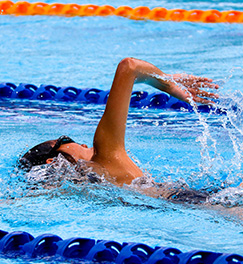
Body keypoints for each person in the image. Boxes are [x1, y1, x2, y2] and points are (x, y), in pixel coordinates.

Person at [19, 58, 219, 203]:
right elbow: (129, 67)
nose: (82, 143)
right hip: (201, 201)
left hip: (192, 204)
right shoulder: (104, 154)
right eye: (65, 139)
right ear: (53, 161)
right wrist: (170, 85)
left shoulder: (91, 190)